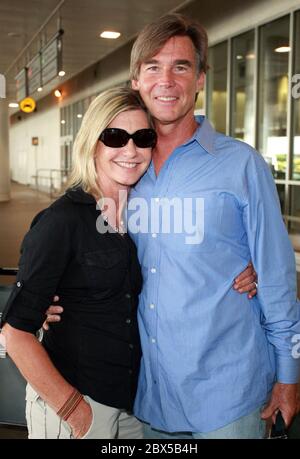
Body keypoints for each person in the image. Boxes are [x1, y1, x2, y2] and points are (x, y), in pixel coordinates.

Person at [45, 13, 299, 439]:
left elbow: (276, 276)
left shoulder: (241, 165)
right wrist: (57, 297)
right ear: (135, 82)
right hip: (148, 397)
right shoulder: (123, 173)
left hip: (228, 396)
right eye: (153, 67)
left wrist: (290, 374)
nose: (167, 80)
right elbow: (85, 248)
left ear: (200, 79)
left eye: (181, 66)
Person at [0, 87, 157, 439]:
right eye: (115, 137)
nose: (130, 150)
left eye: (142, 137)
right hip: (77, 404)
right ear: (92, 144)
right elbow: (16, 332)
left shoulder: (144, 219)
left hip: (131, 405)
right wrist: (75, 411)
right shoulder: (60, 222)